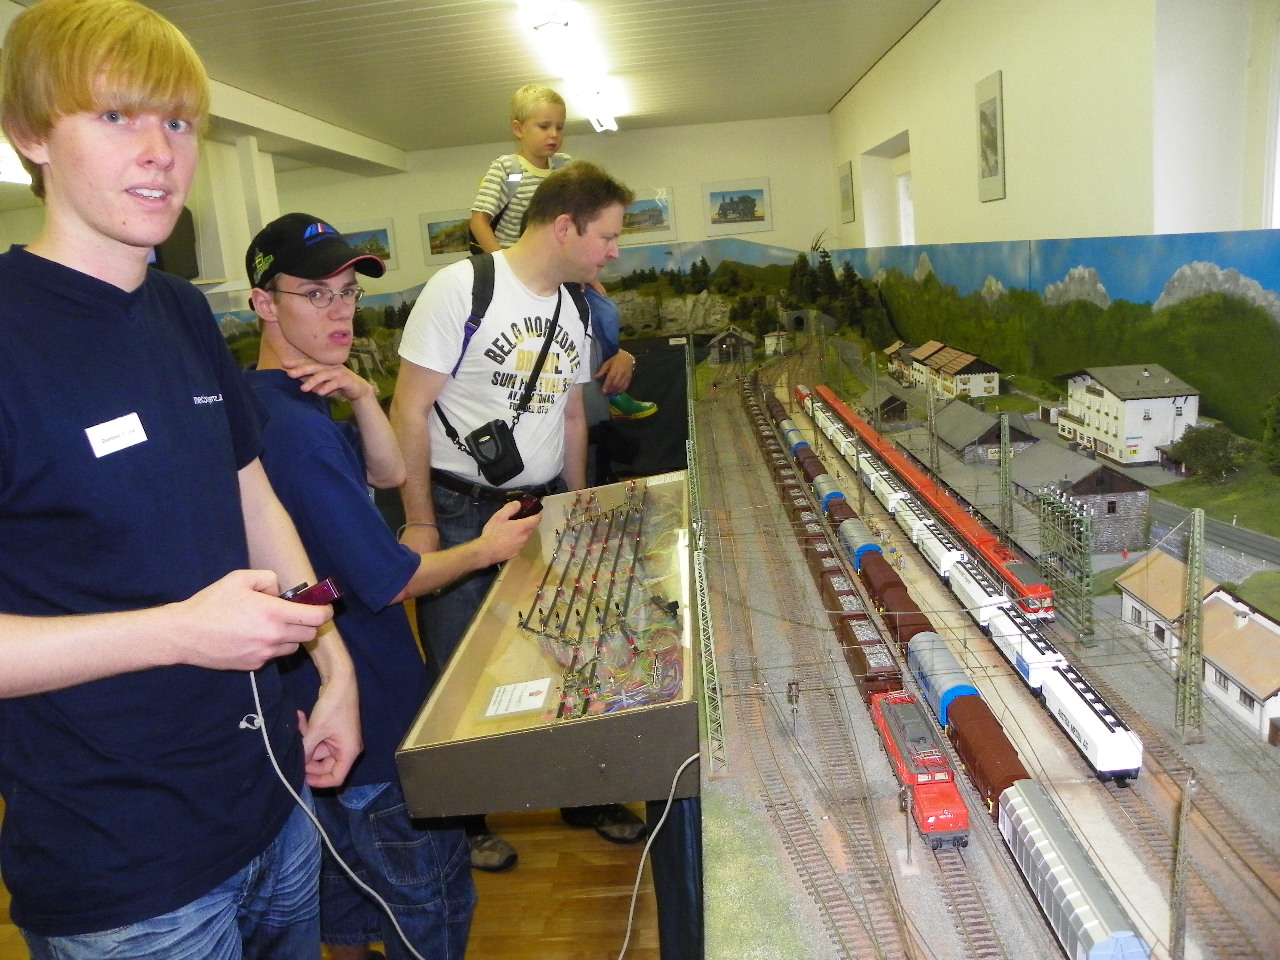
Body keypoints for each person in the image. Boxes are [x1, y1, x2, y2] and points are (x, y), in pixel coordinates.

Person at [0, 3, 361, 959]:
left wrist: (332, 663)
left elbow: (251, 493)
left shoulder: (181, 311)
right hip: (128, 872)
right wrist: (176, 633)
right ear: (30, 133)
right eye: (116, 116)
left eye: (179, 121)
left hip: (275, 803)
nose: (160, 151)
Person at [244, 213, 541, 960]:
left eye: (348, 292)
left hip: (308, 714)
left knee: (343, 902)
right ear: (264, 304)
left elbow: (388, 472)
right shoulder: (297, 432)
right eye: (316, 294)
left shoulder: (284, 400)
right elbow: (393, 581)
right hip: (369, 715)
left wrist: (362, 396)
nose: (340, 311)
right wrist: (486, 549)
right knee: (429, 903)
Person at [393, 160, 648, 873]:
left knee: (569, 653)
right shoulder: (461, 288)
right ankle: (466, 817)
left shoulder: (576, 307)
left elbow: (571, 415)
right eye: (607, 236)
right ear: (565, 226)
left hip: (544, 505)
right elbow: (409, 408)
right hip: (460, 508)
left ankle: (584, 795)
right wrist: (420, 521)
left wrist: (578, 503)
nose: (614, 251)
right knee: (459, 668)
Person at [469, 83, 655, 422]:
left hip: (562, 267)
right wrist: (501, 268)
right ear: (518, 129)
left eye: (559, 126)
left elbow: (579, 226)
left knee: (605, 312)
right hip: (522, 265)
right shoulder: (508, 169)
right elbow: (479, 220)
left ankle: (613, 389)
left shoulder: (565, 167)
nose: (554, 134)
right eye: (544, 126)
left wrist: (585, 271)